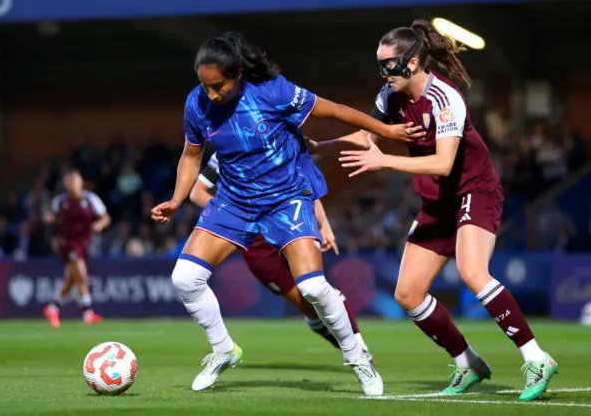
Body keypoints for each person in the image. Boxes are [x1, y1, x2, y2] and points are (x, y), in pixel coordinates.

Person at [151, 31, 423, 395]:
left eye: (218, 86)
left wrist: (385, 129)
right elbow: (190, 155)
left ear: (239, 75)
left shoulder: (273, 91)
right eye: (204, 85)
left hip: (286, 198)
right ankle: (223, 349)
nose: (211, 94)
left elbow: (337, 111)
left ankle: (357, 357)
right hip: (234, 201)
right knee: (184, 278)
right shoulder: (197, 104)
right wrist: (176, 198)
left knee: (312, 287)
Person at [311, 19, 558, 402]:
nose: (383, 73)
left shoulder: (445, 99)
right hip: (437, 202)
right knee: (408, 294)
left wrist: (385, 162)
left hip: (473, 190)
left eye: (388, 65)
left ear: (411, 63)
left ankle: (536, 357)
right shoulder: (389, 97)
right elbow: (365, 136)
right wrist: (315, 145)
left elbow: (443, 164)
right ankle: (468, 363)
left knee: (473, 272)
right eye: (379, 65)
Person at [190, 152, 374, 361]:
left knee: (319, 290)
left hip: (291, 226)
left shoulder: (278, 140)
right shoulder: (225, 148)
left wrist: (325, 226)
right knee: (308, 307)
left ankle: (360, 351)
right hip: (257, 246)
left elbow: (305, 185)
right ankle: (348, 346)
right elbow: (198, 193)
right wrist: (235, 214)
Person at [43, 170, 111, 327]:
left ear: (81, 183)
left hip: (84, 242)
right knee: (81, 273)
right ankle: (87, 312)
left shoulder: (91, 199)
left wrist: (99, 225)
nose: (72, 185)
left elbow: (106, 218)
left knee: (71, 279)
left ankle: (53, 307)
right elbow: (51, 218)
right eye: (69, 182)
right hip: (67, 242)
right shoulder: (60, 201)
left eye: (75, 181)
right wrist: (50, 220)